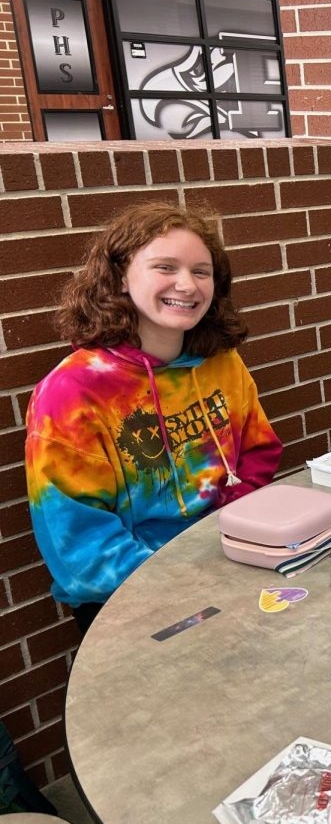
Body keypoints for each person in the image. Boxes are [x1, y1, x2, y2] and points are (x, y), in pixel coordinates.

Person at [25, 202, 282, 634]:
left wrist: (233, 541)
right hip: (127, 598)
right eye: (166, 266)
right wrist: (191, 585)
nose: (187, 284)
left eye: (202, 271)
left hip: (230, 563)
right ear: (120, 277)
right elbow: (80, 548)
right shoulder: (72, 392)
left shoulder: (220, 362)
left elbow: (258, 452)